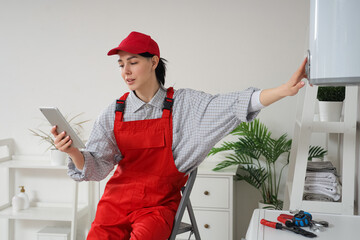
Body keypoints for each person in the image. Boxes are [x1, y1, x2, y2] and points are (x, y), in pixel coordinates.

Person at [51, 31, 307, 240]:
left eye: (133, 62)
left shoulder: (185, 105)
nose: (125, 71)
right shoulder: (113, 113)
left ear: (153, 62)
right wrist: (72, 151)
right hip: (114, 204)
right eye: (121, 64)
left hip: (157, 207)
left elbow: (236, 103)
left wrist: (284, 90)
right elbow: (97, 167)